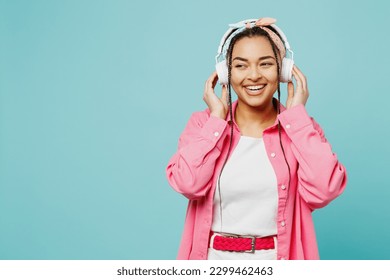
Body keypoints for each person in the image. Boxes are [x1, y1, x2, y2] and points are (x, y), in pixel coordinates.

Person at [166, 17, 347, 260]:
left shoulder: (302, 130)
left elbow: (324, 190)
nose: (253, 75)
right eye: (241, 66)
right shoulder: (203, 125)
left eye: (265, 64)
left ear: (283, 71)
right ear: (225, 73)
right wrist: (217, 120)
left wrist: (297, 119)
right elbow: (188, 184)